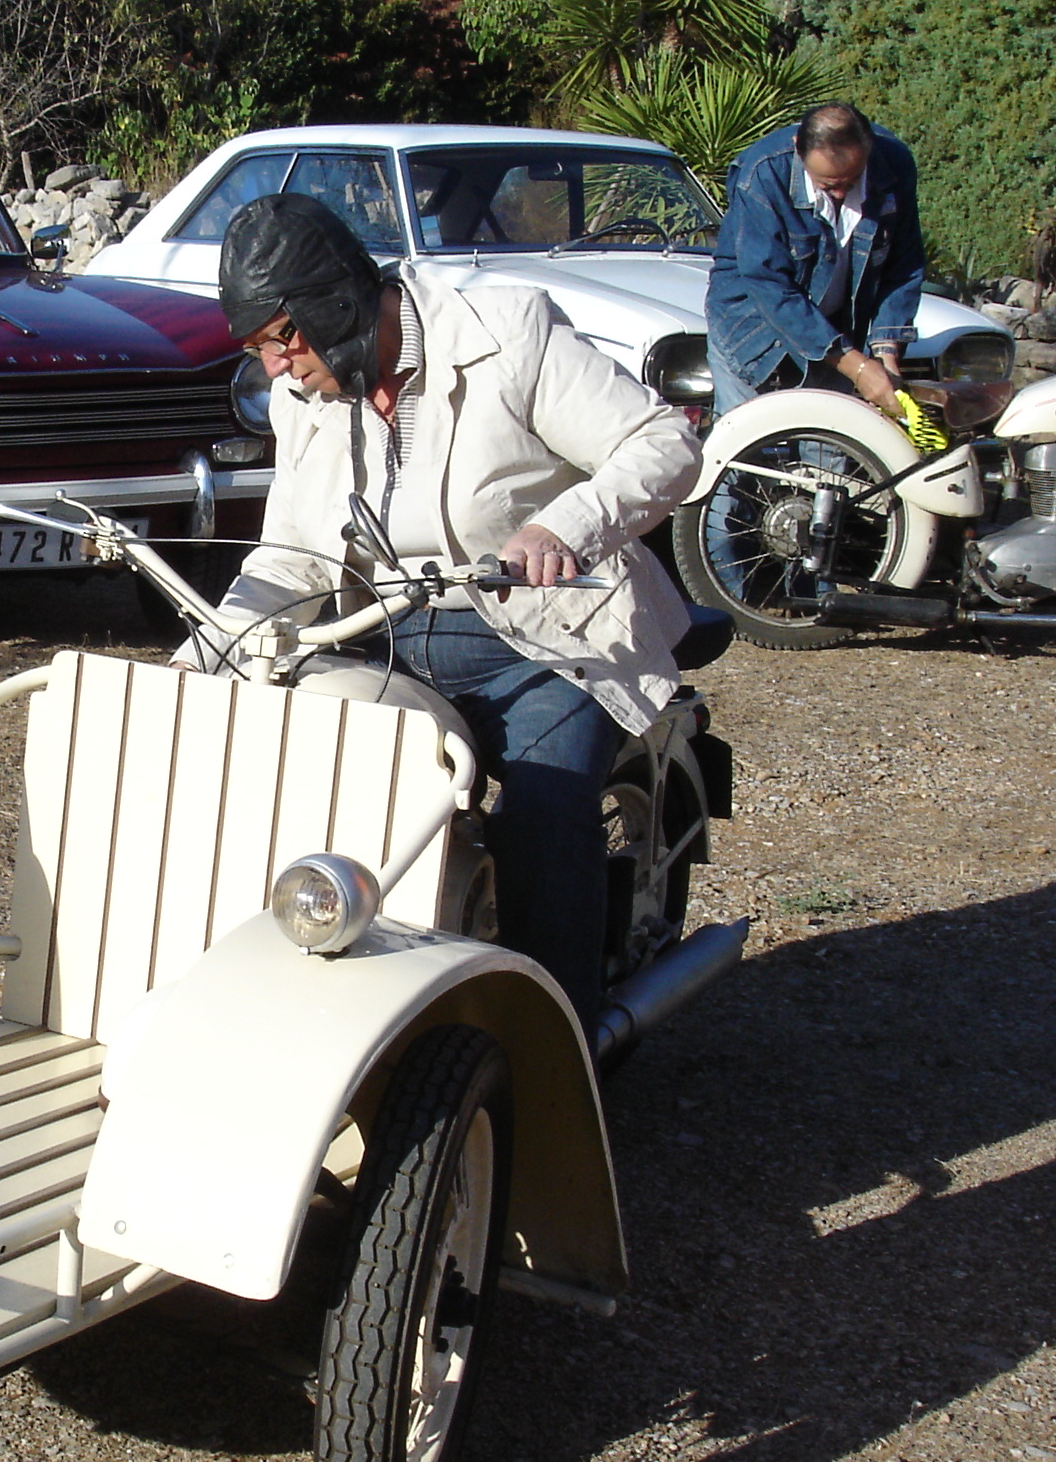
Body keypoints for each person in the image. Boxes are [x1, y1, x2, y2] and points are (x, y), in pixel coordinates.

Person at [198, 192, 700, 1028]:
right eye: (257, 350)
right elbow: (292, 553)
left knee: (541, 817)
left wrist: (563, 526)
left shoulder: (509, 333)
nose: (278, 367)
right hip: (382, 638)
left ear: (334, 302)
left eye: (282, 338)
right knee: (291, 788)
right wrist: (213, 645)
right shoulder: (304, 400)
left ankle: (555, 1043)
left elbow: (663, 444)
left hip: (542, 639)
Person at [705, 103, 927, 419]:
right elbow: (769, 284)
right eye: (828, 184)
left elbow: (903, 266)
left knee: (830, 440)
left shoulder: (893, 164)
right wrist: (857, 366)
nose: (840, 194)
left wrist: (885, 354)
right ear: (799, 149)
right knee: (747, 439)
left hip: (836, 327)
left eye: (851, 181)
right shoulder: (763, 173)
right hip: (752, 330)